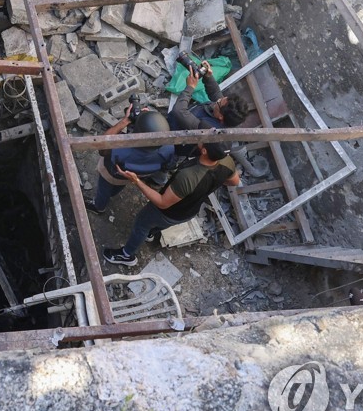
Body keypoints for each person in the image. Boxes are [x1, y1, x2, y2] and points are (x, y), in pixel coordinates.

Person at [103, 141, 240, 267]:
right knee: (157, 226)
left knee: (142, 223)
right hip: (189, 211)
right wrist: (212, 183)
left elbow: (162, 203)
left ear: (204, 151)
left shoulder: (189, 177)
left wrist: (136, 180)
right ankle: (150, 234)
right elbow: (234, 182)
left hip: (167, 212)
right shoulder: (226, 161)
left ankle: (127, 255)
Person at [88, 108, 175, 214]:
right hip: (133, 176)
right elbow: (168, 165)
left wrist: (126, 120)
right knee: (118, 186)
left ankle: (99, 207)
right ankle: (112, 194)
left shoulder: (119, 148)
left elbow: (101, 147)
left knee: (104, 189)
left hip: (111, 174)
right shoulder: (169, 149)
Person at [167, 60, 249, 156]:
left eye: (218, 103)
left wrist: (190, 87)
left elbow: (179, 111)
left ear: (221, 117)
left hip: (171, 138)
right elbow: (215, 93)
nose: (218, 100)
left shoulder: (208, 129)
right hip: (180, 121)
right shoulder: (225, 111)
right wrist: (208, 77)